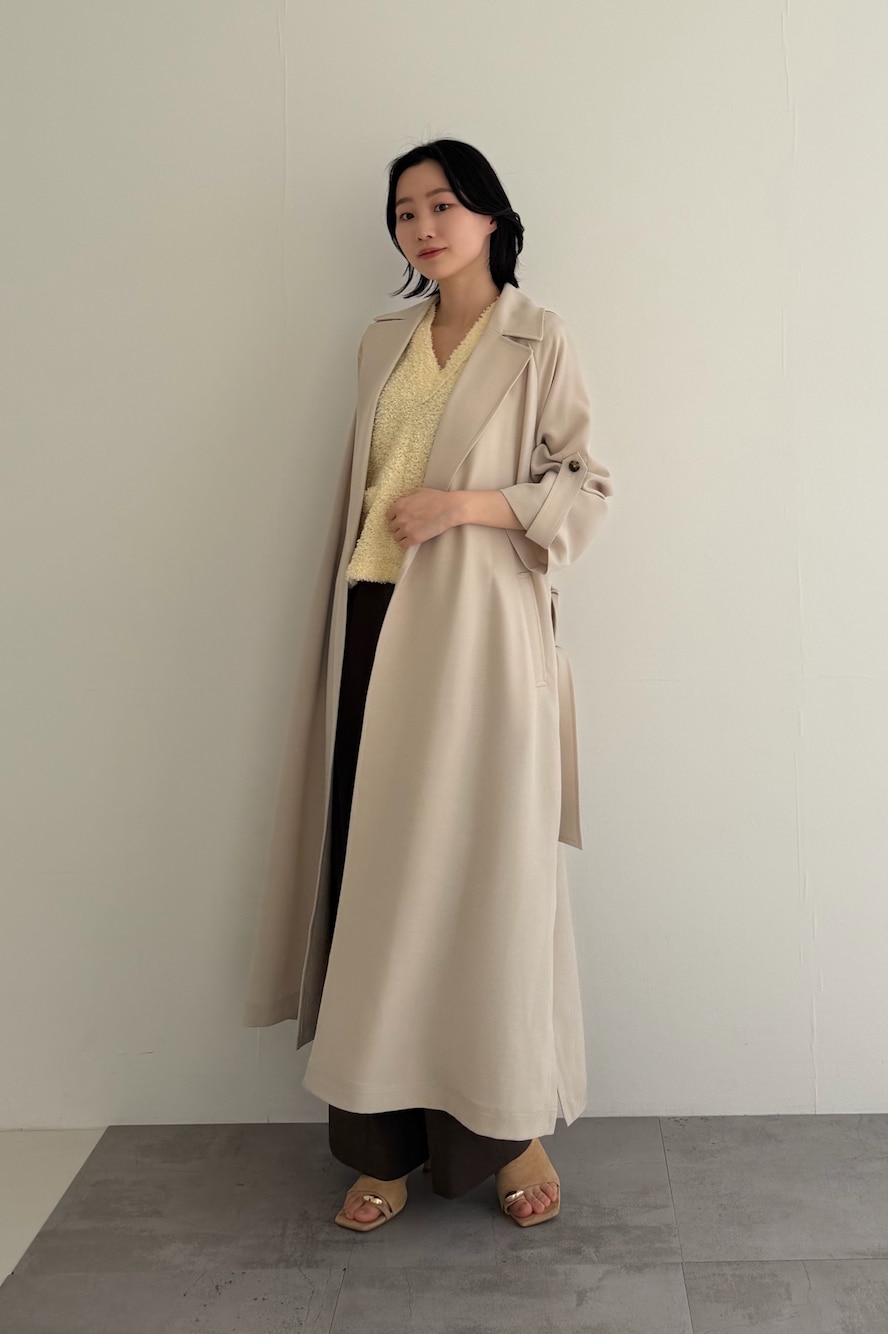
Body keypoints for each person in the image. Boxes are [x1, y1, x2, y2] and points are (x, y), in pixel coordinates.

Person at [242, 138, 613, 1231]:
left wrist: (467, 507)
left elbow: (587, 488)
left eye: (442, 204)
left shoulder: (540, 338)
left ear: (490, 216)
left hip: (478, 642)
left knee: (483, 877)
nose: (422, 226)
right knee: (376, 883)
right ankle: (378, 1143)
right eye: (404, 211)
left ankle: (508, 1131)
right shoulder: (382, 342)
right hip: (370, 623)